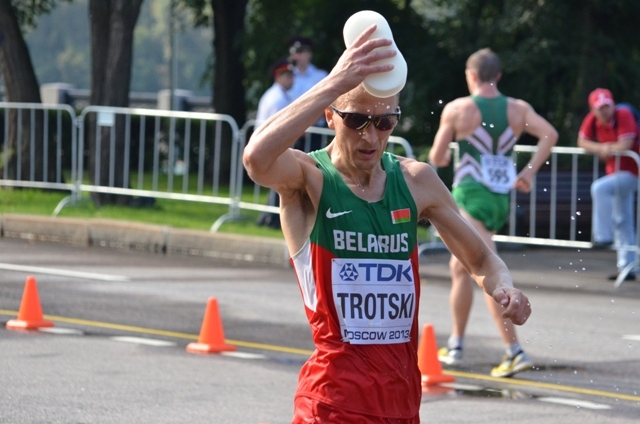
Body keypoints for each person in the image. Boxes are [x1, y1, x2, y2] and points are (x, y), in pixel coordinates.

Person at [244, 28, 531, 423]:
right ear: (330, 114)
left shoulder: (416, 181)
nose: (371, 136)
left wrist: (505, 287)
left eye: (385, 122)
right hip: (332, 403)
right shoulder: (309, 177)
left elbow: (482, 259)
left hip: (401, 402)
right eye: (357, 119)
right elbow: (256, 159)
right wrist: (334, 83)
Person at [429, 48, 557, 378]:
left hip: (470, 197)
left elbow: (438, 156)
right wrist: (527, 172)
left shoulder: (458, 109)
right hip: (500, 199)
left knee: (483, 269)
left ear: (470, 75)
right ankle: (456, 345)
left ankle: (514, 350)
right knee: (459, 268)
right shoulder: (518, 109)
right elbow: (550, 134)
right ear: (498, 76)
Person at [577, 88, 640, 281]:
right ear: (593, 109)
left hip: (634, 171)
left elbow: (626, 144)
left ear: (612, 104)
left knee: (599, 188)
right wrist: (602, 148)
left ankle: (602, 235)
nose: (604, 111)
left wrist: (606, 149)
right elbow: (581, 142)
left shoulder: (624, 114)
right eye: (600, 108)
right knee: (623, 219)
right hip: (617, 172)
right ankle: (627, 267)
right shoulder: (592, 119)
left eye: (607, 106)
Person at [255, 57, 295, 229]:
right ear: (278, 76)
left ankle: (267, 217)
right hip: (272, 146)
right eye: (288, 76)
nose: (292, 79)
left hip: (271, 146)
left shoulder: (279, 95)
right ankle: (270, 218)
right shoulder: (277, 98)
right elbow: (280, 126)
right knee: (279, 182)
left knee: (278, 181)